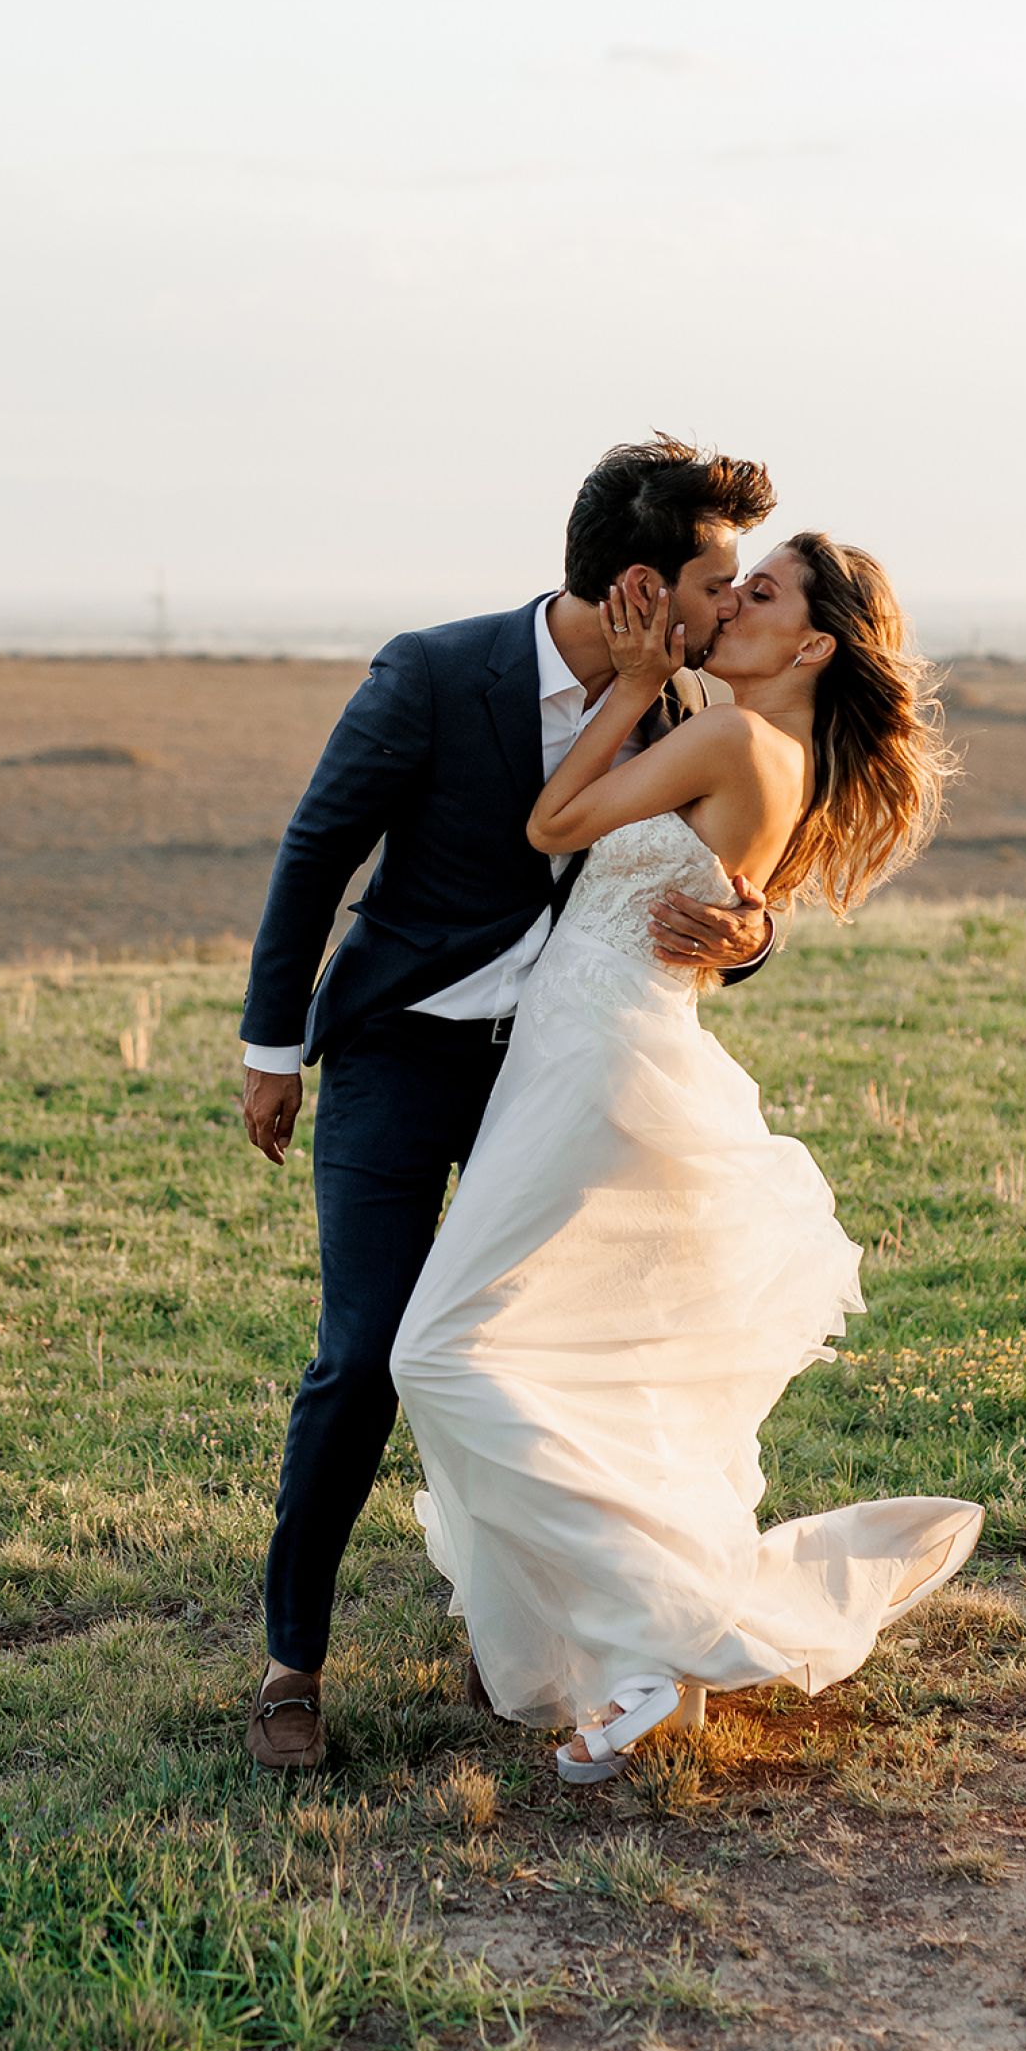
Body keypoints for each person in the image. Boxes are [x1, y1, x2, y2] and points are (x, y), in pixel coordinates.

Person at [390, 532, 982, 1782]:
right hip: (607, 1051)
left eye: (760, 594)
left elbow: (554, 824)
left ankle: (656, 1635)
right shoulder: (773, 753)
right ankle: (632, 1657)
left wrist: (623, 683)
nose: (733, 602)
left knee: (436, 1351)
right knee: (552, 1357)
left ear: (812, 644)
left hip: (594, 1060)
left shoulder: (725, 738)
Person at [239, 436, 780, 1771]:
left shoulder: (682, 716)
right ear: (645, 588)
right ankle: (288, 1666)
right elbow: (320, 844)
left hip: (561, 1079)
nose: (733, 605)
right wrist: (271, 1045)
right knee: (366, 1353)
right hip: (399, 1058)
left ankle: (522, 1640)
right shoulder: (433, 671)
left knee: (544, 1360)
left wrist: (750, 936)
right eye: (718, 581)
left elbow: (732, 873)